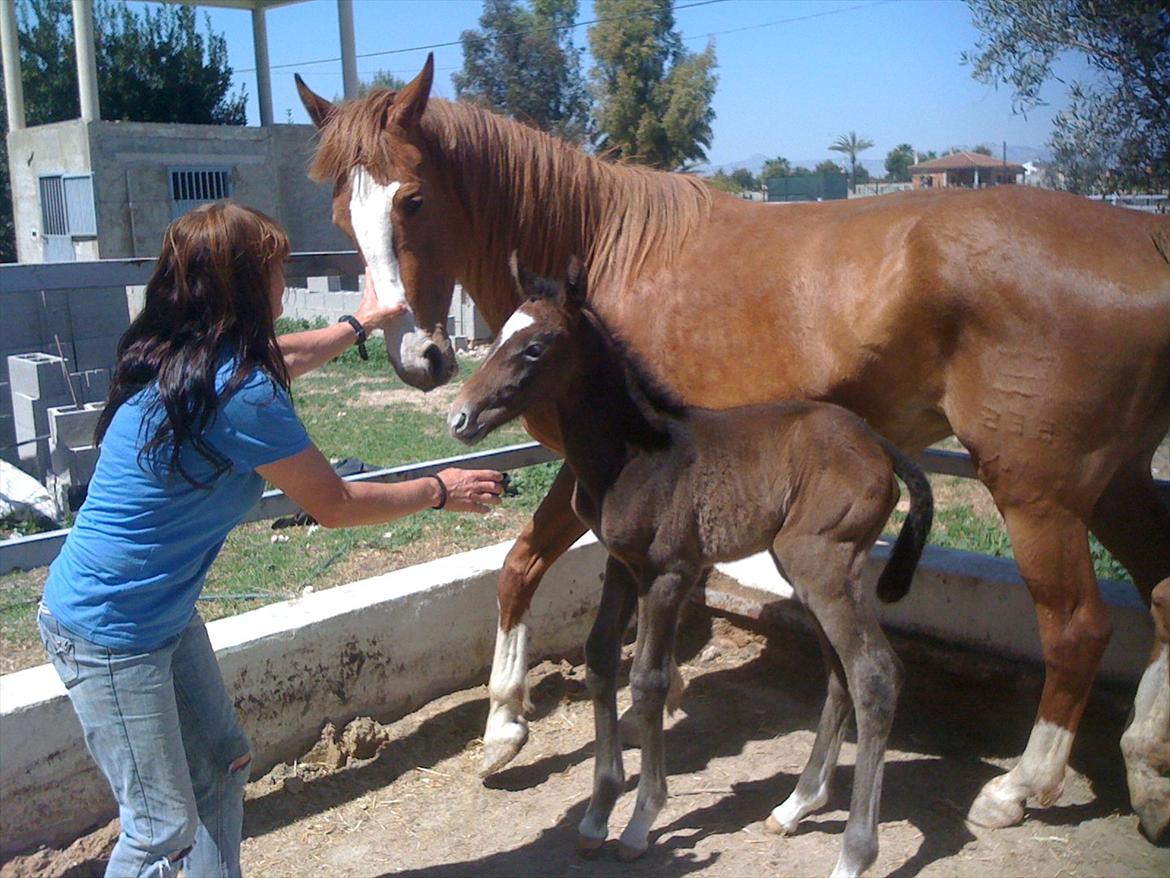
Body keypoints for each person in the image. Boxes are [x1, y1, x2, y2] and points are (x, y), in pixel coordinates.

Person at [37, 201, 504, 878]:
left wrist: (358, 323)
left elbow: (282, 355)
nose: (286, 280)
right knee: (160, 828)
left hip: (153, 616)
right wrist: (439, 489)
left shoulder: (178, 353)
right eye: (277, 268)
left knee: (223, 763)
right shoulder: (236, 390)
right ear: (246, 284)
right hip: (109, 631)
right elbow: (335, 503)